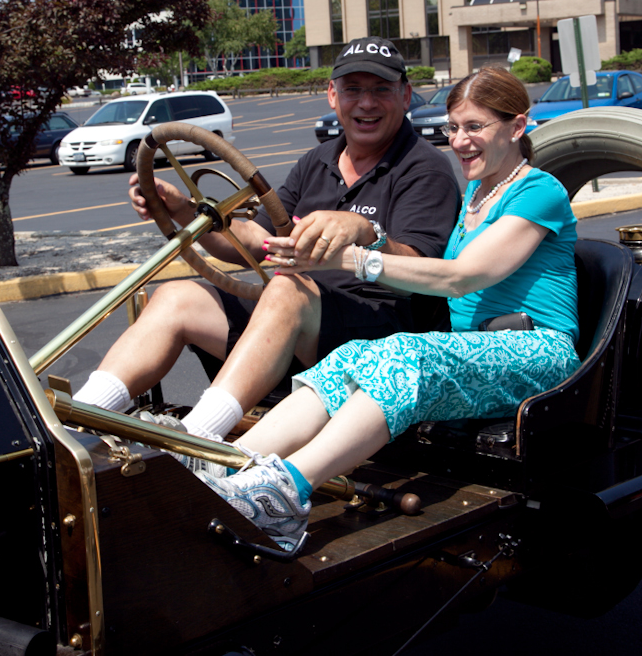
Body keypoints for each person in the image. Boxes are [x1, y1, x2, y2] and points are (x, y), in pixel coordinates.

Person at [200, 67, 581, 551]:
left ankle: (285, 493)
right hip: (478, 352)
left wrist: (353, 259)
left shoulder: (539, 190)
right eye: (453, 127)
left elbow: (462, 276)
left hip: (538, 353)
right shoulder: (476, 194)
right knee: (351, 357)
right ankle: (223, 465)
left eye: (475, 127)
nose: (459, 141)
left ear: (517, 126)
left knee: (406, 354)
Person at [73, 38, 461, 458]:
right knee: (176, 296)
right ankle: (79, 424)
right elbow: (254, 242)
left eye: (381, 89)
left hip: (382, 337)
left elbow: (422, 273)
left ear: (404, 95)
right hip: (298, 323)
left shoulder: (424, 168)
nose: (366, 103)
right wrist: (183, 210)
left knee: (286, 288)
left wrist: (367, 232)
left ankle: (196, 441)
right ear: (333, 96)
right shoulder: (318, 161)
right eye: (353, 89)